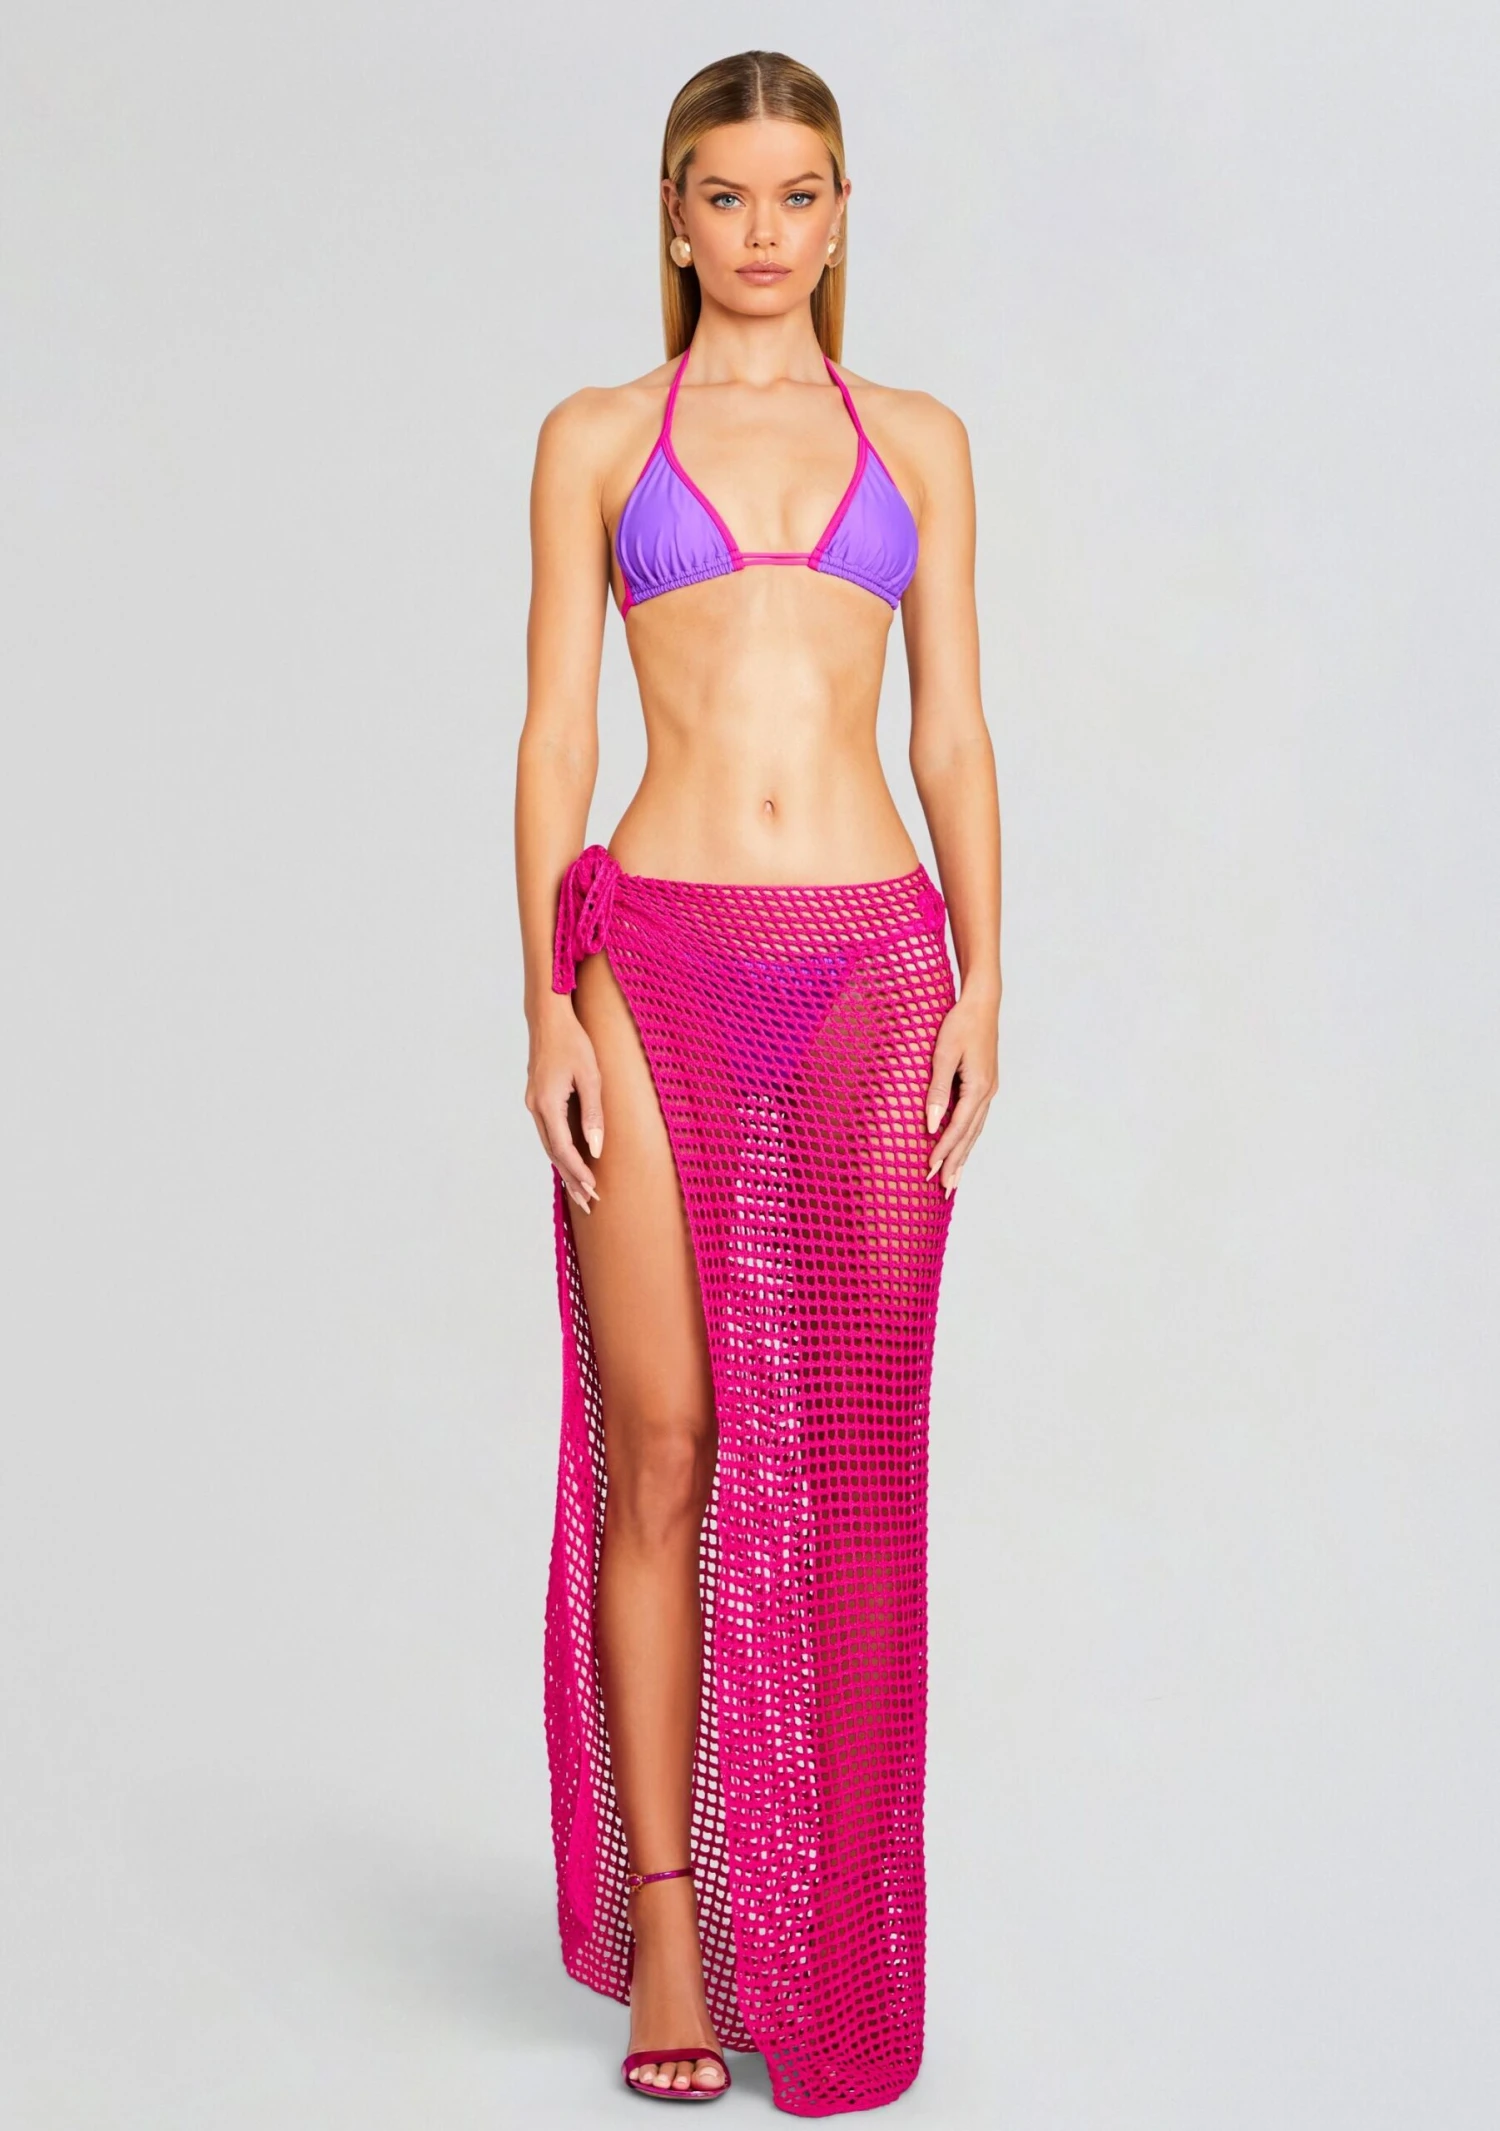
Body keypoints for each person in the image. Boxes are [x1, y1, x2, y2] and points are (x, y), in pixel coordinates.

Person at [516, 49, 1001, 2117]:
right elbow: (555, 735)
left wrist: (991, 974)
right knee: (666, 1441)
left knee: (862, 1464)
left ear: (841, 212)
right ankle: (673, 1922)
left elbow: (954, 727)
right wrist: (542, 1004)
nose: (763, 232)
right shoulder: (599, 437)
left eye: (798, 195)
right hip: (658, 964)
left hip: (876, 964)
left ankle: (839, 1933)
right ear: (673, 212)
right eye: (726, 194)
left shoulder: (922, 440)